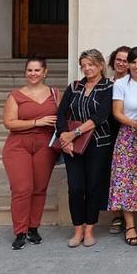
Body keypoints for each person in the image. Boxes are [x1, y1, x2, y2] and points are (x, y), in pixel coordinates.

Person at [54, 49, 115, 248]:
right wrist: (65, 137)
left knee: (93, 187)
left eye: (91, 64)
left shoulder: (109, 87)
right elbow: (61, 113)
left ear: (100, 66)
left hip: (98, 145)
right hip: (72, 146)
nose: (87, 68)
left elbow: (100, 116)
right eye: (84, 65)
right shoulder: (74, 87)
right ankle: (77, 228)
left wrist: (75, 133)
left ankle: (89, 229)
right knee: (75, 188)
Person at [1, 56, 59, 249]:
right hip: (19, 145)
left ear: (45, 72)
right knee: (22, 188)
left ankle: (33, 228)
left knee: (39, 188)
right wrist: (36, 122)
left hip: (45, 144)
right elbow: (9, 122)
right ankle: (20, 231)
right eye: (29, 70)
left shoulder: (55, 94)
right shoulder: (15, 95)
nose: (33, 74)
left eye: (37, 70)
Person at [109, 47, 137, 247]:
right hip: (128, 136)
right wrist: (134, 124)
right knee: (127, 181)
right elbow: (117, 112)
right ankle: (130, 226)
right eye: (133, 62)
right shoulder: (120, 84)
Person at [105, 45, 131, 235]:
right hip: (108, 133)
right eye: (119, 59)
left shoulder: (135, 83)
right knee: (115, 176)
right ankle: (118, 215)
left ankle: (130, 215)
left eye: (125, 60)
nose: (121, 63)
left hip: (127, 130)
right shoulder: (106, 83)